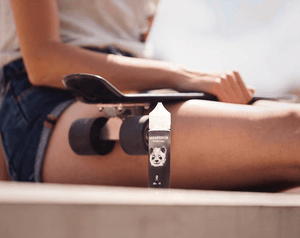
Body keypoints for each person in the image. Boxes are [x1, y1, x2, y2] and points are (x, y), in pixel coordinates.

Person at [0, 0, 299, 191]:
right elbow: (42, 61)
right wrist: (181, 76)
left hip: (127, 94)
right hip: (47, 103)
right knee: (289, 130)